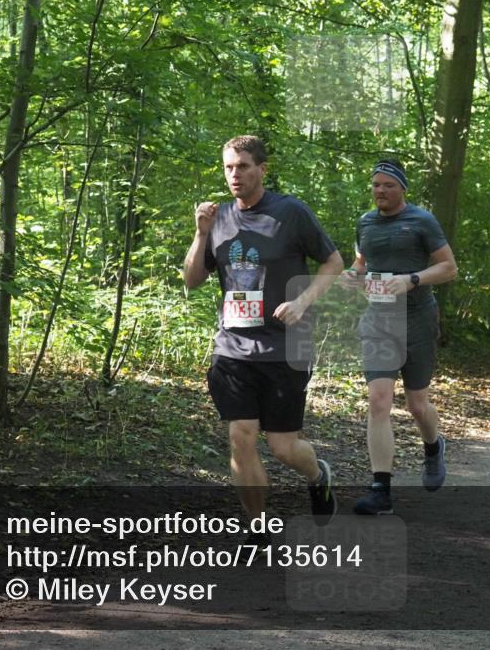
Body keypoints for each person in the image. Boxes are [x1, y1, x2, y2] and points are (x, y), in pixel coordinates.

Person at [183, 135, 344, 532]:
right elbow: (192, 279)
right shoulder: (217, 218)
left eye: (242, 166)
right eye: (228, 167)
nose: (234, 175)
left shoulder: (290, 213)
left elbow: (333, 262)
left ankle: (317, 475)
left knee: (283, 446)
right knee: (241, 435)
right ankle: (256, 526)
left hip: (284, 345)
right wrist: (201, 233)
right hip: (233, 346)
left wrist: (303, 301)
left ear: (261, 169)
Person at [340, 158, 457, 516]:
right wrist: (352, 275)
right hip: (378, 320)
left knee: (417, 404)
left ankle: (433, 445)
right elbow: (362, 263)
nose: (380, 191)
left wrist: (412, 279)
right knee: (378, 401)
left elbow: (449, 268)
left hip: (418, 319)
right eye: (375, 185)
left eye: (387, 185)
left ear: (402, 188)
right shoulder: (365, 223)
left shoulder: (421, 221)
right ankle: (381, 491)